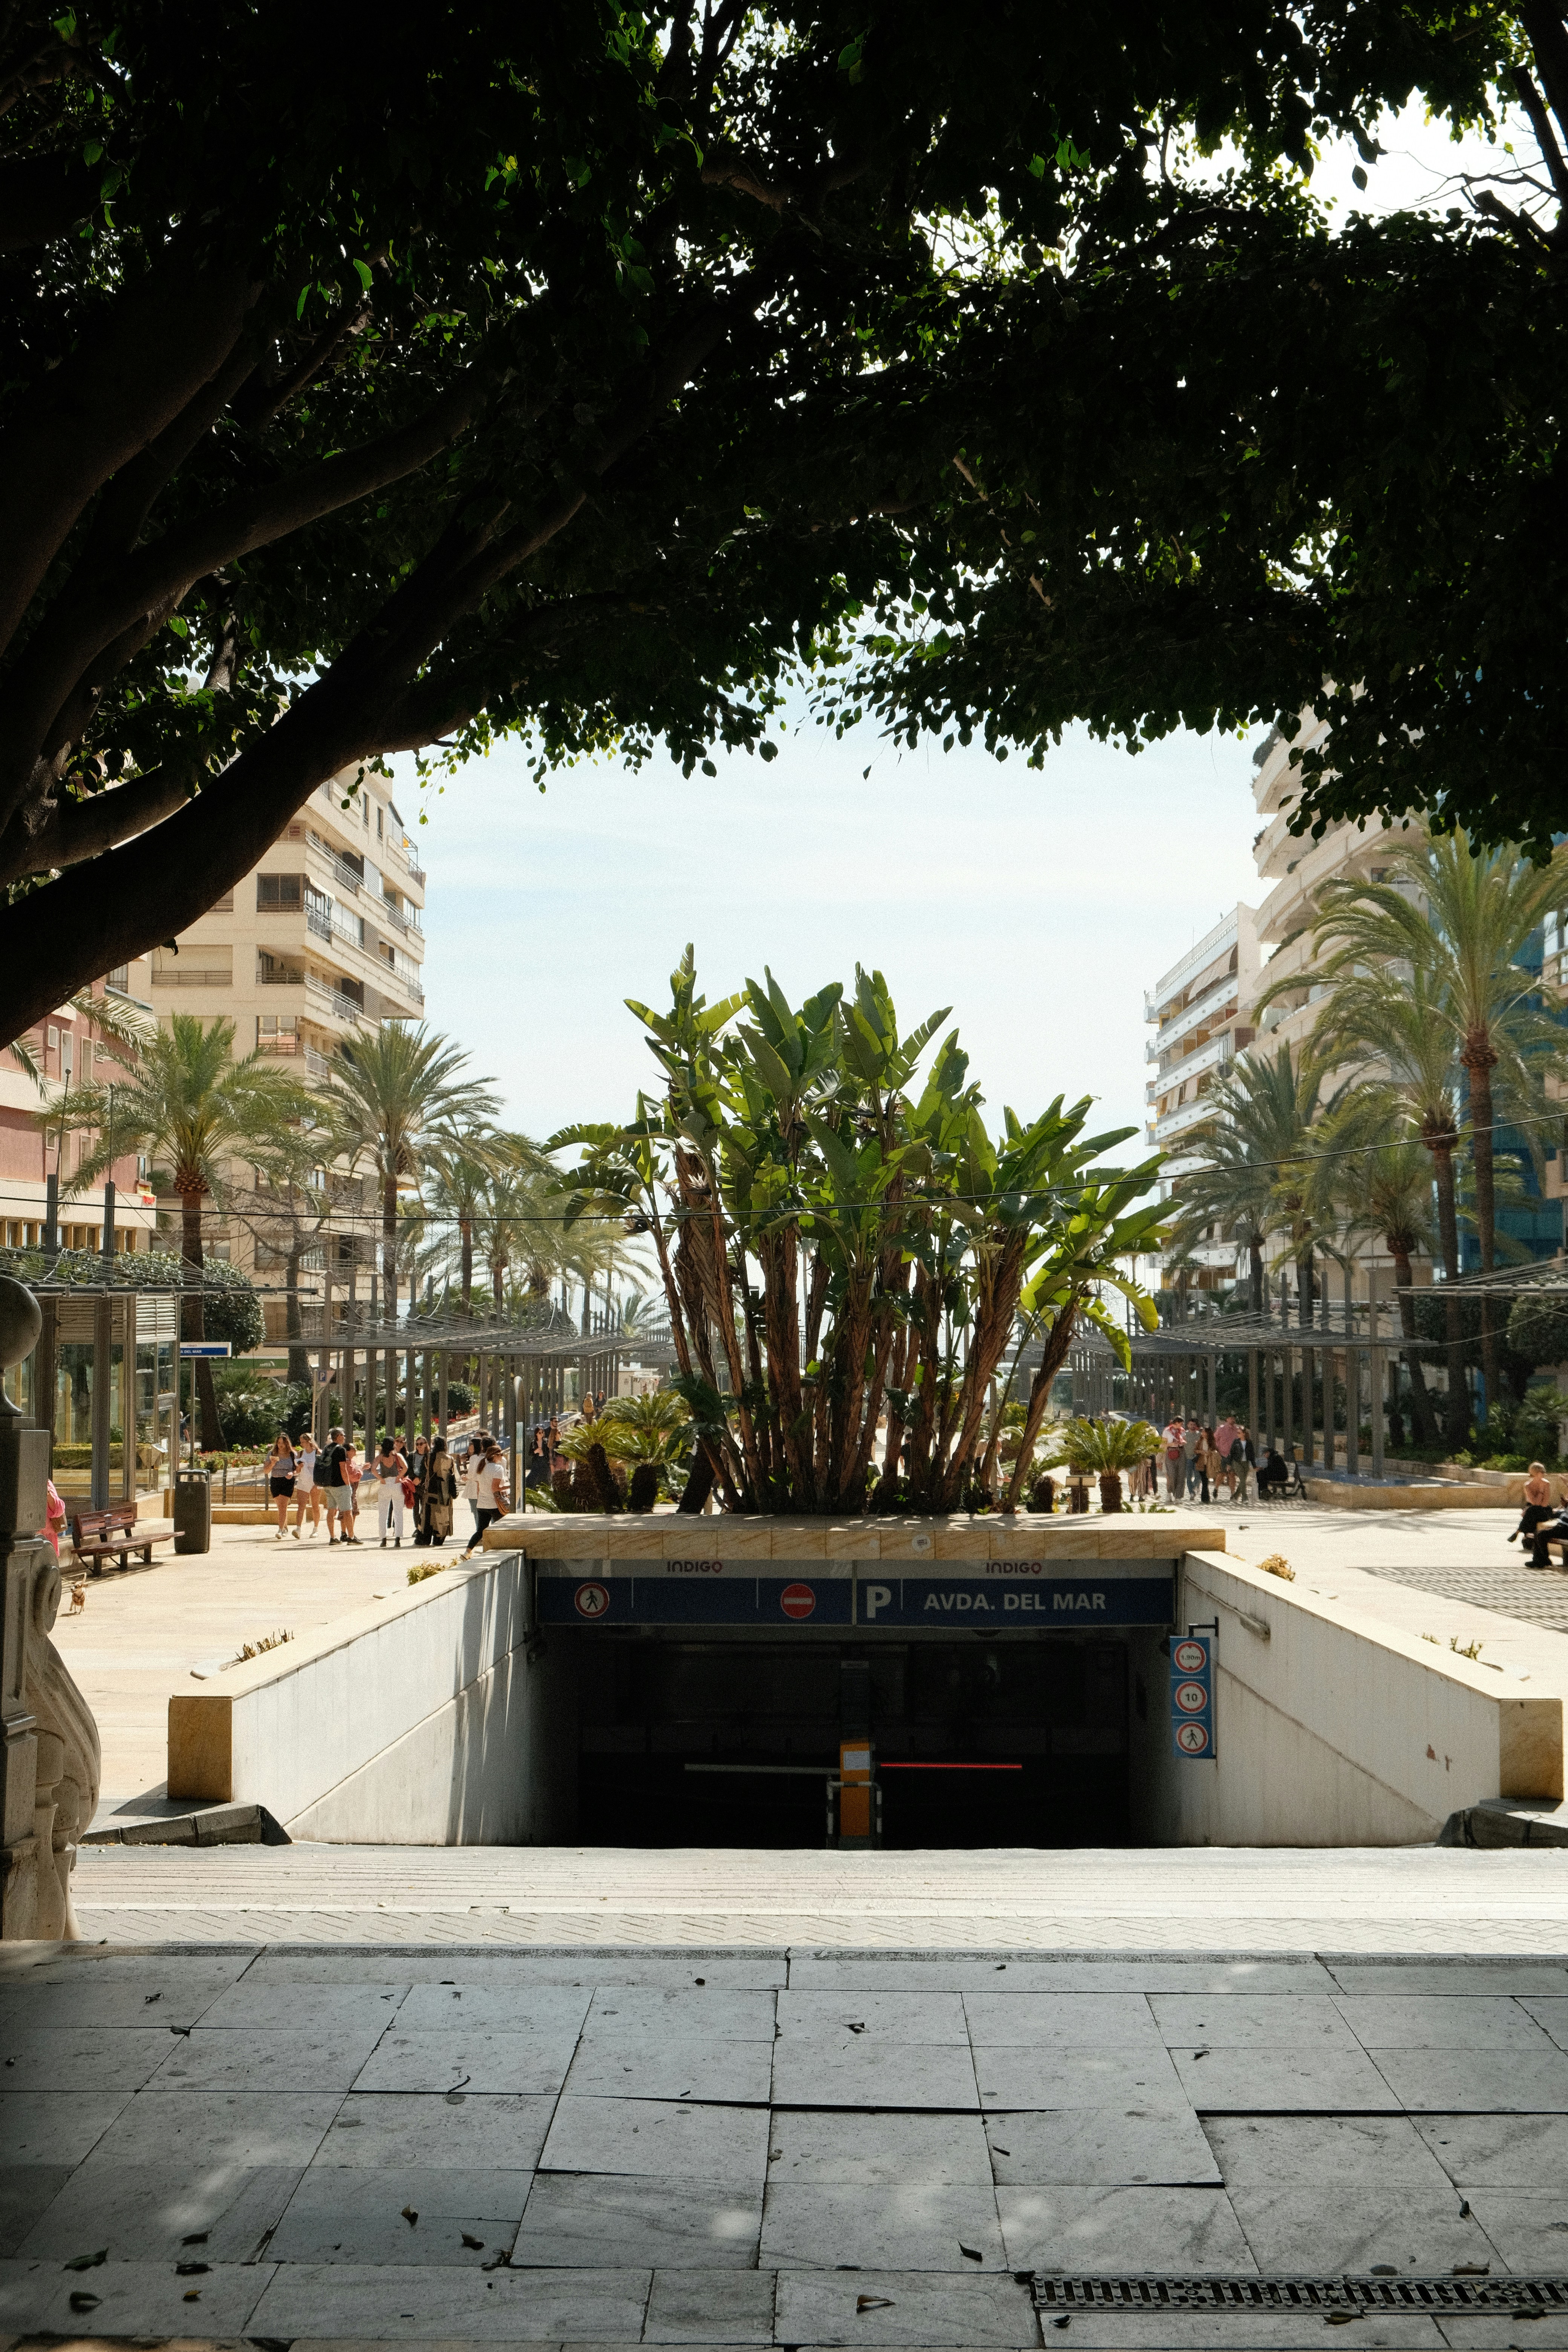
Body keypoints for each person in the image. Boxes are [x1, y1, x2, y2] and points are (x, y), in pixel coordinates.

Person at [464, 1438, 511, 1553]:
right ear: (495, 1456)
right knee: (502, 1527)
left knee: (480, 1531)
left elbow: (479, 1487)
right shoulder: (498, 1469)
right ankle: (499, 1550)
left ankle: (467, 1552)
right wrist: (510, 1487)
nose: (502, 1457)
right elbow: (495, 1489)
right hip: (494, 1505)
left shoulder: (482, 1467)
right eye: (500, 1455)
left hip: (482, 1504)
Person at [317, 1425, 355, 1544]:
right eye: (343, 1436)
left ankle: (333, 1537)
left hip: (328, 1484)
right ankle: (352, 1537)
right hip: (340, 1485)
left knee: (331, 1511)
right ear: (339, 1437)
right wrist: (348, 1484)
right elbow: (343, 1469)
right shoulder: (340, 1450)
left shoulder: (327, 1448)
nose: (345, 1438)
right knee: (347, 1511)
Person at [372, 1433, 410, 1548]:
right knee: (398, 1513)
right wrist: (399, 1477)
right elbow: (406, 1468)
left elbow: (373, 1469)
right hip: (396, 1484)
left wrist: (380, 1478)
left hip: (385, 1484)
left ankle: (383, 1539)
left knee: (383, 1513)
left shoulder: (381, 1457)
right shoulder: (397, 1456)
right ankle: (398, 1539)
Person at [1508, 1462, 1556, 1551]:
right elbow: (1534, 1503)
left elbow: (1544, 1504)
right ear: (1537, 1473)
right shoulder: (1528, 1486)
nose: (1544, 1474)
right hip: (1532, 1509)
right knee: (1532, 1510)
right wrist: (1541, 1492)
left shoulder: (1547, 1484)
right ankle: (1527, 1538)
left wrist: (1542, 1490)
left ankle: (1518, 1532)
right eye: (1543, 1472)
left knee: (1532, 1510)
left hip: (1544, 1510)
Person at [422, 1436, 458, 1545]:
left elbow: (427, 1470)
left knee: (428, 1515)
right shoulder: (449, 1459)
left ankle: (426, 1538)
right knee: (442, 1516)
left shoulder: (428, 1458)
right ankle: (439, 1539)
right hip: (445, 1491)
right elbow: (454, 1474)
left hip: (431, 1490)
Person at [265, 1428, 297, 1539]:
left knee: (283, 1506)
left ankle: (280, 1530)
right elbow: (266, 1471)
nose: (280, 1445)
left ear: (287, 1443)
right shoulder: (272, 1454)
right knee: (281, 1507)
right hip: (275, 1480)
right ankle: (285, 1528)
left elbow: (298, 1469)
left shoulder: (293, 1454)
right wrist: (272, 1464)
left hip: (288, 1481)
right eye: (279, 1443)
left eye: (283, 1443)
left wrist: (293, 1473)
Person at [292, 1431, 322, 1537]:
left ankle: (316, 1529)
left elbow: (322, 1470)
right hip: (304, 1481)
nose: (301, 1444)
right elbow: (298, 1470)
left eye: (303, 1442)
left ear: (309, 1442)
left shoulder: (318, 1453)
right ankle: (298, 1529)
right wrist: (298, 1468)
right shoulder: (300, 1454)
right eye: (301, 1442)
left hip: (315, 1482)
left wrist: (317, 1484)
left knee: (315, 1506)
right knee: (301, 1506)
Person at [1215, 1413, 1239, 1499]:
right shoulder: (1221, 1429)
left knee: (1232, 1474)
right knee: (1222, 1474)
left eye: (1234, 1418)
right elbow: (1215, 1440)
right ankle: (1216, 1488)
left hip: (1233, 1456)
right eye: (1231, 1418)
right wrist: (1217, 1451)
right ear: (1227, 1419)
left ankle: (1233, 1493)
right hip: (1223, 1455)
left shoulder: (1237, 1430)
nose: (1232, 1420)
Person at [1163, 1416, 1185, 1501]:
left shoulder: (1182, 1431)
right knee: (1172, 1475)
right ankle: (1169, 1492)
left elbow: (1184, 1441)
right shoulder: (1167, 1431)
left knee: (1181, 1475)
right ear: (1176, 1423)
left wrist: (1182, 1443)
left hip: (1181, 1452)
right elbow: (1163, 1444)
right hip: (1171, 1452)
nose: (1182, 1425)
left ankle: (1179, 1496)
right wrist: (1171, 1444)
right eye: (1181, 1424)